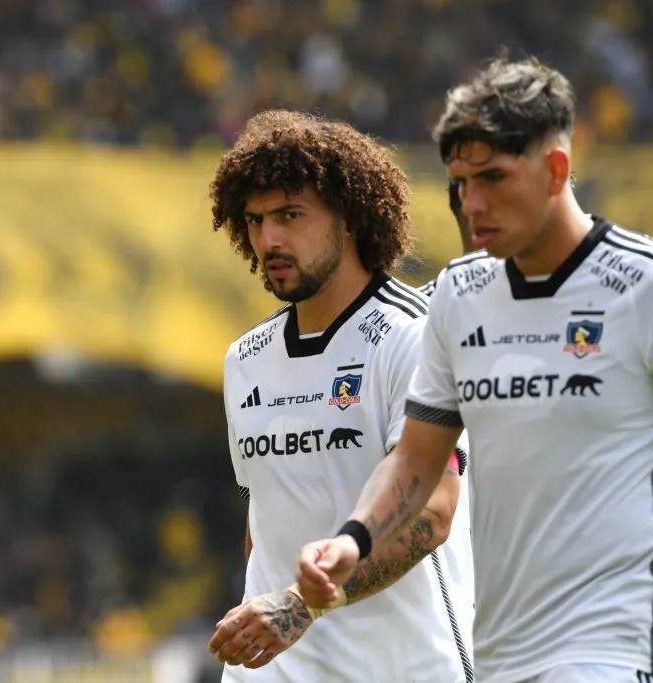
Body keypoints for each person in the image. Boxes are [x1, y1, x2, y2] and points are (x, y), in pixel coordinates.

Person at [295, 55, 653, 683]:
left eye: (493, 178)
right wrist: (351, 540)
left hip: (617, 654)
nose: (470, 203)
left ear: (556, 169)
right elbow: (417, 459)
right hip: (501, 658)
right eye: (459, 181)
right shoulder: (457, 293)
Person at [206, 109, 476, 682]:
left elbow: (433, 511)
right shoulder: (244, 361)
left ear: (349, 218)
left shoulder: (416, 334)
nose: (269, 239)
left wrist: (302, 605)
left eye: (291, 215)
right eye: (254, 221)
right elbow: (267, 515)